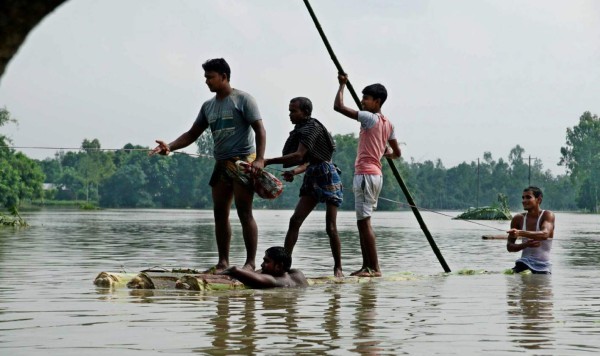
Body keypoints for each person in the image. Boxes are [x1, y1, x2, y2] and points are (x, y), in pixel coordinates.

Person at [150, 58, 266, 273]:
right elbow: (192, 134)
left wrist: (259, 159)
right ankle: (223, 262)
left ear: (224, 77)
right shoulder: (208, 106)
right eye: (205, 78)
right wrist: (170, 146)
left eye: (210, 77)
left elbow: (260, 129)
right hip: (221, 163)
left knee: (244, 212)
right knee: (220, 213)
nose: (207, 82)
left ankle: (250, 263)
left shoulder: (243, 100)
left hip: (242, 162)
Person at [264, 97, 344, 277]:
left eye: (294, 111)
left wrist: (267, 161)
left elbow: (299, 155)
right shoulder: (302, 129)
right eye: (289, 111)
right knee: (295, 221)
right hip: (312, 174)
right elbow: (308, 161)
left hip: (327, 175)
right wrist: (294, 172)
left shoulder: (312, 128)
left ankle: (338, 268)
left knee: (330, 227)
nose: (290, 115)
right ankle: (283, 266)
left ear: (305, 113)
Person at [333, 73, 401, 277]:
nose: (362, 101)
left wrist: (342, 85)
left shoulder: (369, 117)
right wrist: (383, 152)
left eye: (366, 99)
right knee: (363, 221)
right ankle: (367, 266)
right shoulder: (388, 124)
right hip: (376, 175)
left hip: (365, 175)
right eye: (362, 98)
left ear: (377, 102)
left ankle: (374, 268)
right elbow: (396, 153)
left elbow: (338, 107)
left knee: (364, 222)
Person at [507, 186, 555, 274]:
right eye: (523, 198)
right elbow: (509, 247)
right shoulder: (518, 219)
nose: (524, 201)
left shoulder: (547, 215)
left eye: (528, 197)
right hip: (523, 264)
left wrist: (520, 233)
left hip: (543, 267)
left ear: (539, 200)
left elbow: (545, 234)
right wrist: (525, 244)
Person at [220, 246, 308, 288]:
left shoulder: (272, 280)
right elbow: (258, 273)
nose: (262, 265)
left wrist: (219, 274)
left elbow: (234, 270)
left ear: (278, 266)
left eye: (266, 261)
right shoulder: (297, 273)